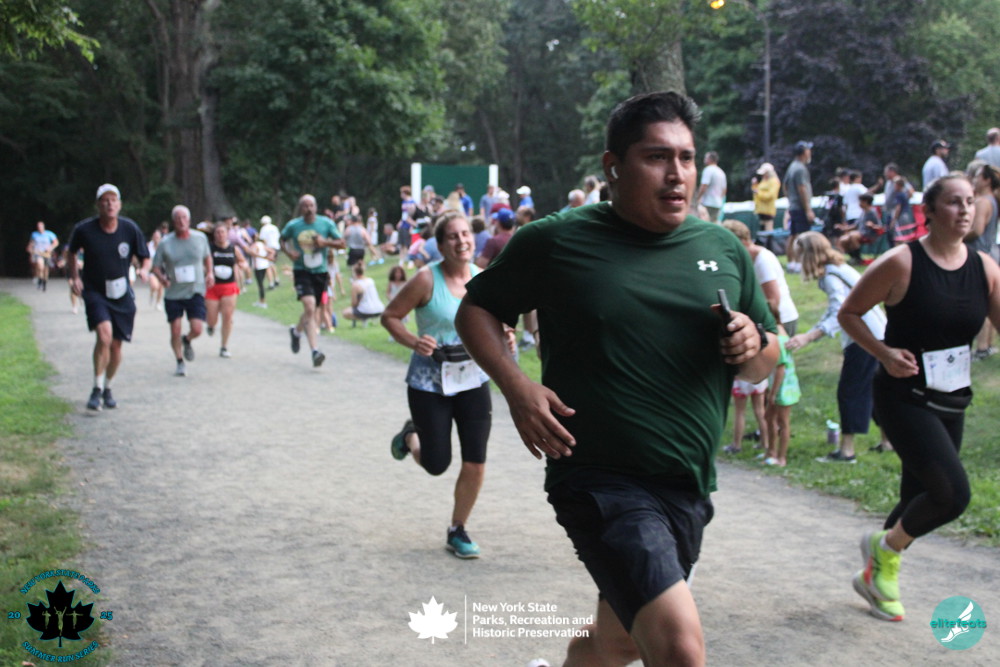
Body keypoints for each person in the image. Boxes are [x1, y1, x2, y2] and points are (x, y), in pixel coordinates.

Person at [455, 91, 777, 666]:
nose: (677, 174)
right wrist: (518, 387)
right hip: (599, 478)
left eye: (686, 158)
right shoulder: (557, 240)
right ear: (613, 167)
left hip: (688, 482)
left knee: (619, 641)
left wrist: (753, 343)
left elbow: (764, 358)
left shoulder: (723, 248)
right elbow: (476, 309)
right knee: (679, 648)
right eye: (657, 157)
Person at [837, 172, 1000, 622]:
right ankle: (883, 552)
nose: (964, 210)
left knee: (919, 497)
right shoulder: (901, 262)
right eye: (953, 202)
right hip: (902, 395)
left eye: (970, 201)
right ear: (928, 211)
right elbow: (849, 313)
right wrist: (884, 353)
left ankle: (876, 578)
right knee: (952, 494)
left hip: (952, 398)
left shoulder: (985, 269)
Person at [381, 211, 501, 559]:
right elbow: (390, 317)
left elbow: (493, 321)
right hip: (429, 384)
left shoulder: (483, 278)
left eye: (465, 234)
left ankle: (457, 529)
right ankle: (410, 436)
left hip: (472, 379)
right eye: (453, 236)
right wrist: (413, 341)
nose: (461, 241)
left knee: (475, 460)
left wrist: (504, 333)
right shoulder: (425, 280)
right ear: (441, 244)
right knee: (436, 463)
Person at [786, 232, 888, 462]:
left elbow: (839, 314)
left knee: (850, 392)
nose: (797, 258)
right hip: (877, 333)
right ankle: (888, 441)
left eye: (799, 253)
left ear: (809, 254)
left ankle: (847, 450)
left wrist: (809, 336)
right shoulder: (839, 268)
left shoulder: (831, 276)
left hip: (863, 337)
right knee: (874, 390)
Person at [66, 184, 151, 410]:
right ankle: (96, 387)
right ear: (98, 205)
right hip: (95, 291)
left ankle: (108, 387)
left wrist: (144, 270)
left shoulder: (129, 228)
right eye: (105, 200)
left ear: (119, 204)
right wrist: (74, 277)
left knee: (115, 346)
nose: (109, 204)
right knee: (104, 336)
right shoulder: (85, 229)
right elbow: (71, 252)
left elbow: (145, 255)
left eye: (113, 200)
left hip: (122, 294)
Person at [280, 194, 345, 368]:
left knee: (311, 310)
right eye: (305, 206)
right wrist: (288, 253)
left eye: (311, 205)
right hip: (301, 271)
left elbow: (342, 243)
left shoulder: (326, 224)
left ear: (316, 207)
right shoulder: (293, 226)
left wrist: (325, 243)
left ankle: (296, 332)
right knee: (309, 307)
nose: (308, 209)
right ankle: (315, 351)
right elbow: (282, 239)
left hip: (320, 272)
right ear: (301, 208)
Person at [153, 205, 214, 377]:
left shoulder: (200, 238)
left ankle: (187, 340)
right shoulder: (165, 242)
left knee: (197, 329)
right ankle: (180, 361)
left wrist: (210, 273)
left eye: (184, 217)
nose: (181, 221)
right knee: (175, 329)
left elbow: (207, 257)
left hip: (195, 290)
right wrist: (162, 278)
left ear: (189, 220)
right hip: (174, 293)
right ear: (174, 221)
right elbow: (155, 267)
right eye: (178, 218)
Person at [205, 223, 248, 357]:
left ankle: (224, 346)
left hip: (229, 286)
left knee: (228, 316)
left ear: (227, 233)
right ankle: (211, 326)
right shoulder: (209, 249)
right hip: (212, 287)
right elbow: (202, 263)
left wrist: (242, 265)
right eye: (217, 232)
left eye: (222, 232)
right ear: (214, 234)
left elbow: (243, 261)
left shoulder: (233, 249)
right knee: (212, 318)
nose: (220, 235)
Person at [764, 318, 800, 467]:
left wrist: (773, 393)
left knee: (783, 422)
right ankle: (771, 452)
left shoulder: (778, 339)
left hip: (785, 388)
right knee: (768, 417)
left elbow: (781, 369)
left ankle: (781, 457)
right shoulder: (781, 333)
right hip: (778, 386)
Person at [783, 140, 815, 273]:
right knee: (802, 236)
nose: (810, 153)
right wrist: (808, 209)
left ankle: (791, 263)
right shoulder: (800, 168)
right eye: (808, 150)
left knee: (793, 235)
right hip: (800, 207)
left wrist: (791, 200)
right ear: (804, 152)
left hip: (794, 206)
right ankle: (799, 264)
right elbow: (802, 188)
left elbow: (785, 186)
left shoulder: (792, 167)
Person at [341, 261, 385, 326]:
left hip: (366, 310)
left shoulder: (355, 285)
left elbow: (354, 303)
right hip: (380, 308)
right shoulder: (371, 280)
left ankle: (364, 319)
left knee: (345, 313)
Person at [27, 221, 59, 291]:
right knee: (40, 266)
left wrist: (50, 247)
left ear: (43, 227)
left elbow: (56, 242)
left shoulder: (49, 234)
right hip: (38, 253)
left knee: (46, 269)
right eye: (38, 227)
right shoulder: (34, 234)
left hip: (46, 254)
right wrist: (30, 249)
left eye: (41, 226)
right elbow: (31, 243)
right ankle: (40, 280)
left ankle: (44, 282)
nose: (40, 228)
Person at [696, 151, 727, 223]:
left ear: (710, 159)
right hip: (718, 204)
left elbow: (704, 185)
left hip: (707, 202)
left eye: (706, 158)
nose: (704, 159)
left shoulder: (708, 170)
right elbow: (724, 190)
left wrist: (697, 198)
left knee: (704, 223)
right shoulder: (721, 172)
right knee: (714, 223)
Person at [751, 163, 780, 232]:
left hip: (768, 211)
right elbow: (757, 191)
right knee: (762, 230)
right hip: (760, 210)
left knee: (768, 231)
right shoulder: (764, 181)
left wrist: (758, 193)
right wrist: (754, 185)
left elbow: (770, 196)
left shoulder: (774, 181)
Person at [258, 214, 281, 289]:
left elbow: (263, 240)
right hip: (276, 247)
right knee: (272, 264)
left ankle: (271, 283)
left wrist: (264, 248)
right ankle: (276, 279)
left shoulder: (263, 229)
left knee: (268, 265)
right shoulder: (274, 227)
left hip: (269, 248)